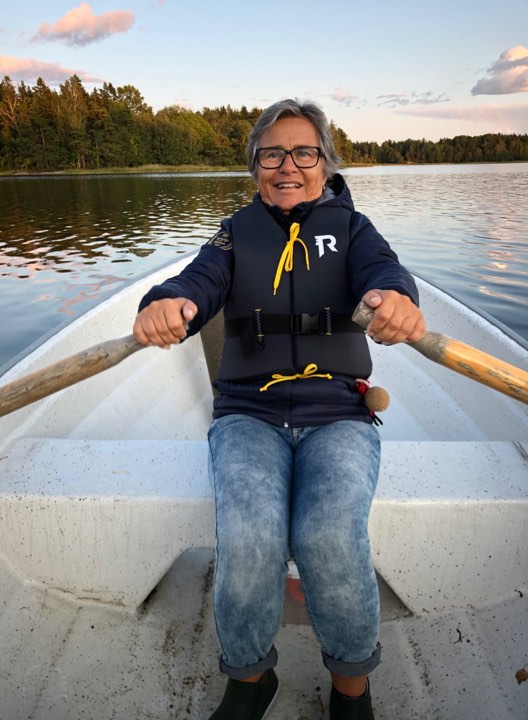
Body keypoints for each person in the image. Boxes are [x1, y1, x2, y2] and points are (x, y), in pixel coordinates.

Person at [133, 99, 425, 720]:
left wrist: (396, 297)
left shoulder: (354, 229)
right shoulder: (235, 232)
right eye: (272, 154)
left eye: (303, 152)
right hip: (249, 414)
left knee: (328, 535)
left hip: (338, 413)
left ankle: (351, 688)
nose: (287, 165)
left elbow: (385, 272)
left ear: (325, 163)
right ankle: (249, 679)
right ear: (255, 166)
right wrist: (167, 301)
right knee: (249, 537)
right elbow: (198, 279)